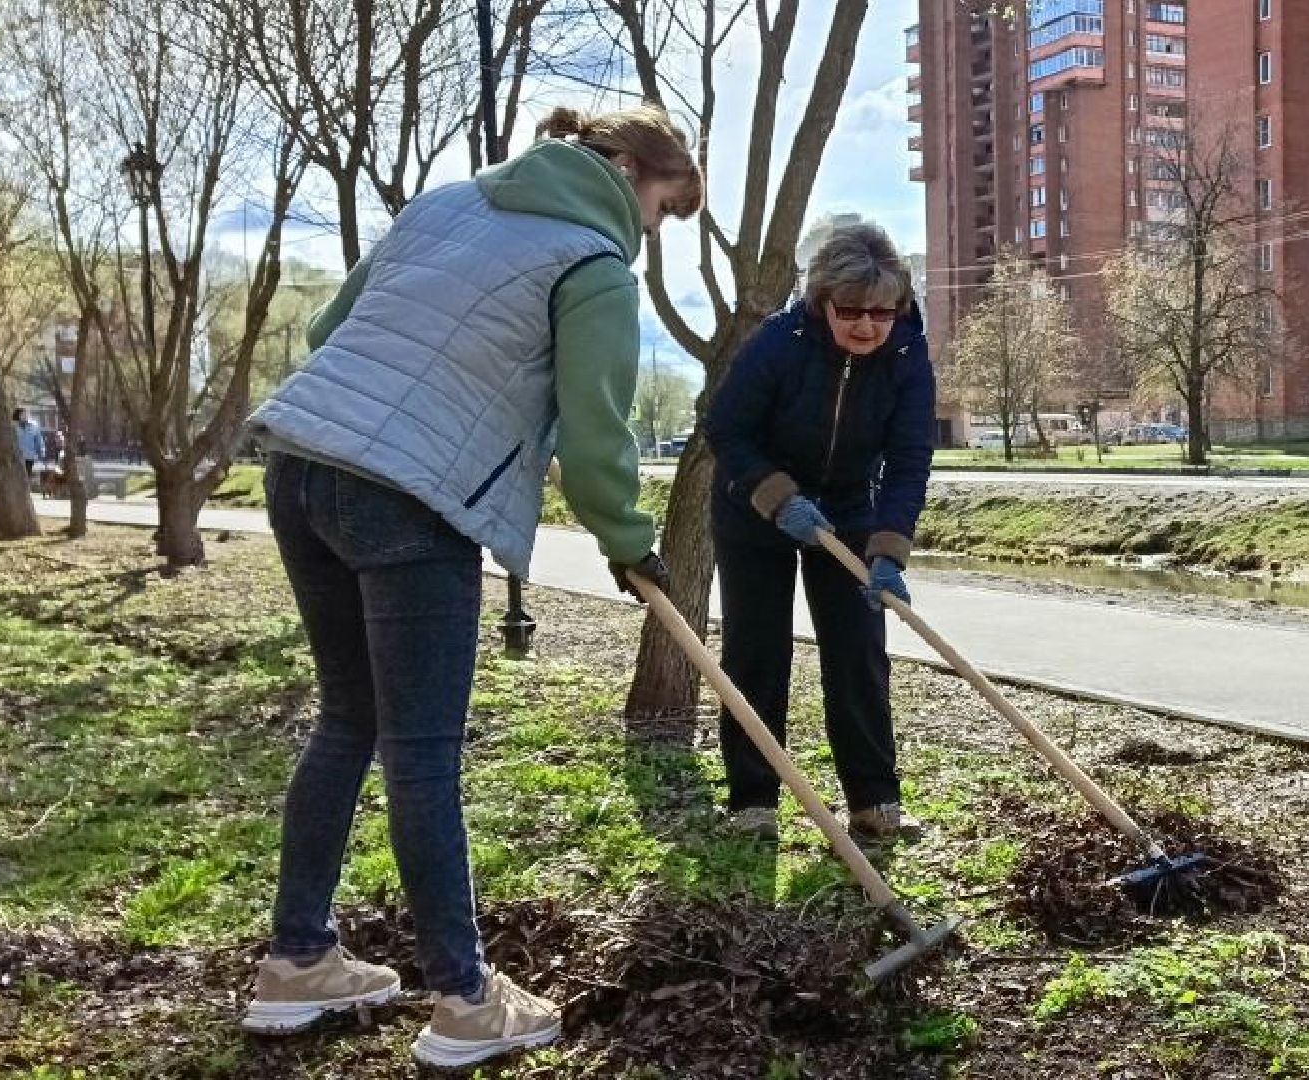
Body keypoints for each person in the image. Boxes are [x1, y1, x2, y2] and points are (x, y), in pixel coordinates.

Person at [237, 104, 701, 1068]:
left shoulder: (442, 204)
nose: (652, 233)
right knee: (421, 750)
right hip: (411, 502)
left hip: (302, 466)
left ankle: (297, 961)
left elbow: (335, 325)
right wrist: (630, 542)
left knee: (347, 720)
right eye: (661, 209)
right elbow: (596, 434)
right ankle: (464, 1000)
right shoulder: (593, 267)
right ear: (627, 170)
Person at [704, 216, 935, 844]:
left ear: (901, 307)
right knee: (758, 650)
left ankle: (873, 800)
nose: (866, 325)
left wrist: (888, 551)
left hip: (847, 512)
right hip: (756, 508)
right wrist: (778, 498)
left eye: (881, 313)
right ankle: (754, 800)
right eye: (851, 310)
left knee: (859, 651)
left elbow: (910, 460)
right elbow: (724, 427)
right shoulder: (782, 341)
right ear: (822, 302)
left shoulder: (909, 359)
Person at [13, 409, 44, 483]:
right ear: (19, 415)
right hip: (17, 456)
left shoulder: (34, 425)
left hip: (29, 456)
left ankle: (25, 492)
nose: (26, 416)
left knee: (27, 476)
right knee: (17, 476)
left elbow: (38, 440)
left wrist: (41, 451)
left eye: (27, 414)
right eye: (23, 414)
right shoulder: (13, 426)